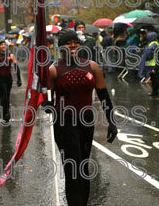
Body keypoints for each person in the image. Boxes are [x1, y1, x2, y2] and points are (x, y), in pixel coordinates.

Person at [46, 30, 118, 206]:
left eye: (75, 42)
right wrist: (46, 104)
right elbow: (46, 96)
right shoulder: (54, 70)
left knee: (83, 166)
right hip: (64, 123)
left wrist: (112, 122)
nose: (72, 46)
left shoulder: (92, 67)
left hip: (86, 122)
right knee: (72, 168)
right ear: (60, 47)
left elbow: (103, 95)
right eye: (67, 43)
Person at [0, 41, 21, 122]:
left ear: (7, 46)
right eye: (1, 44)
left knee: (7, 96)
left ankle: (5, 113)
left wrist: (19, 79)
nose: (3, 46)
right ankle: (6, 113)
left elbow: (16, 67)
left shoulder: (11, 56)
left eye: (4, 44)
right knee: (4, 96)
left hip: (8, 78)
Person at [138, 32, 159, 96]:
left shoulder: (153, 44)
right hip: (150, 64)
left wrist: (146, 58)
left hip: (151, 64)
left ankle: (154, 92)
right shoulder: (151, 43)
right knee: (152, 79)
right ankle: (153, 92)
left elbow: (149, 54)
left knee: (152, 79)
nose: (147, 37)